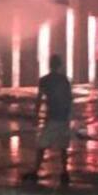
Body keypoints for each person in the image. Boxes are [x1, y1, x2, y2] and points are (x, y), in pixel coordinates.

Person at [23, 53, 73, 186]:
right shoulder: (64, 80)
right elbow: (69, 99)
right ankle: (64, 172)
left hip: (52, 117)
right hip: (62, 117)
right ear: (60, 65)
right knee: (63, 147)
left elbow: (39, 99)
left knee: (41, 145)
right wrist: (69, 115)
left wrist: (35, 115)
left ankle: (35, 171)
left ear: (50, 65)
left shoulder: (44, 80)